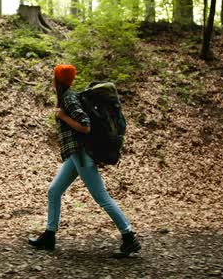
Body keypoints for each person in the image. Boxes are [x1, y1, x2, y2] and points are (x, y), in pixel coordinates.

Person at [28, 64, 141, 256]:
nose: (51, 79)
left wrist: (63, 116)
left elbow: (85, 126)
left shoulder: (68, 99)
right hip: (75, 155)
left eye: (53, 76)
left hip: (81, 155)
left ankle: (129, 236)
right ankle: (49, 235)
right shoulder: (66, 97)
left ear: (59, 80)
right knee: (54, 191)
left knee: (102, 198)